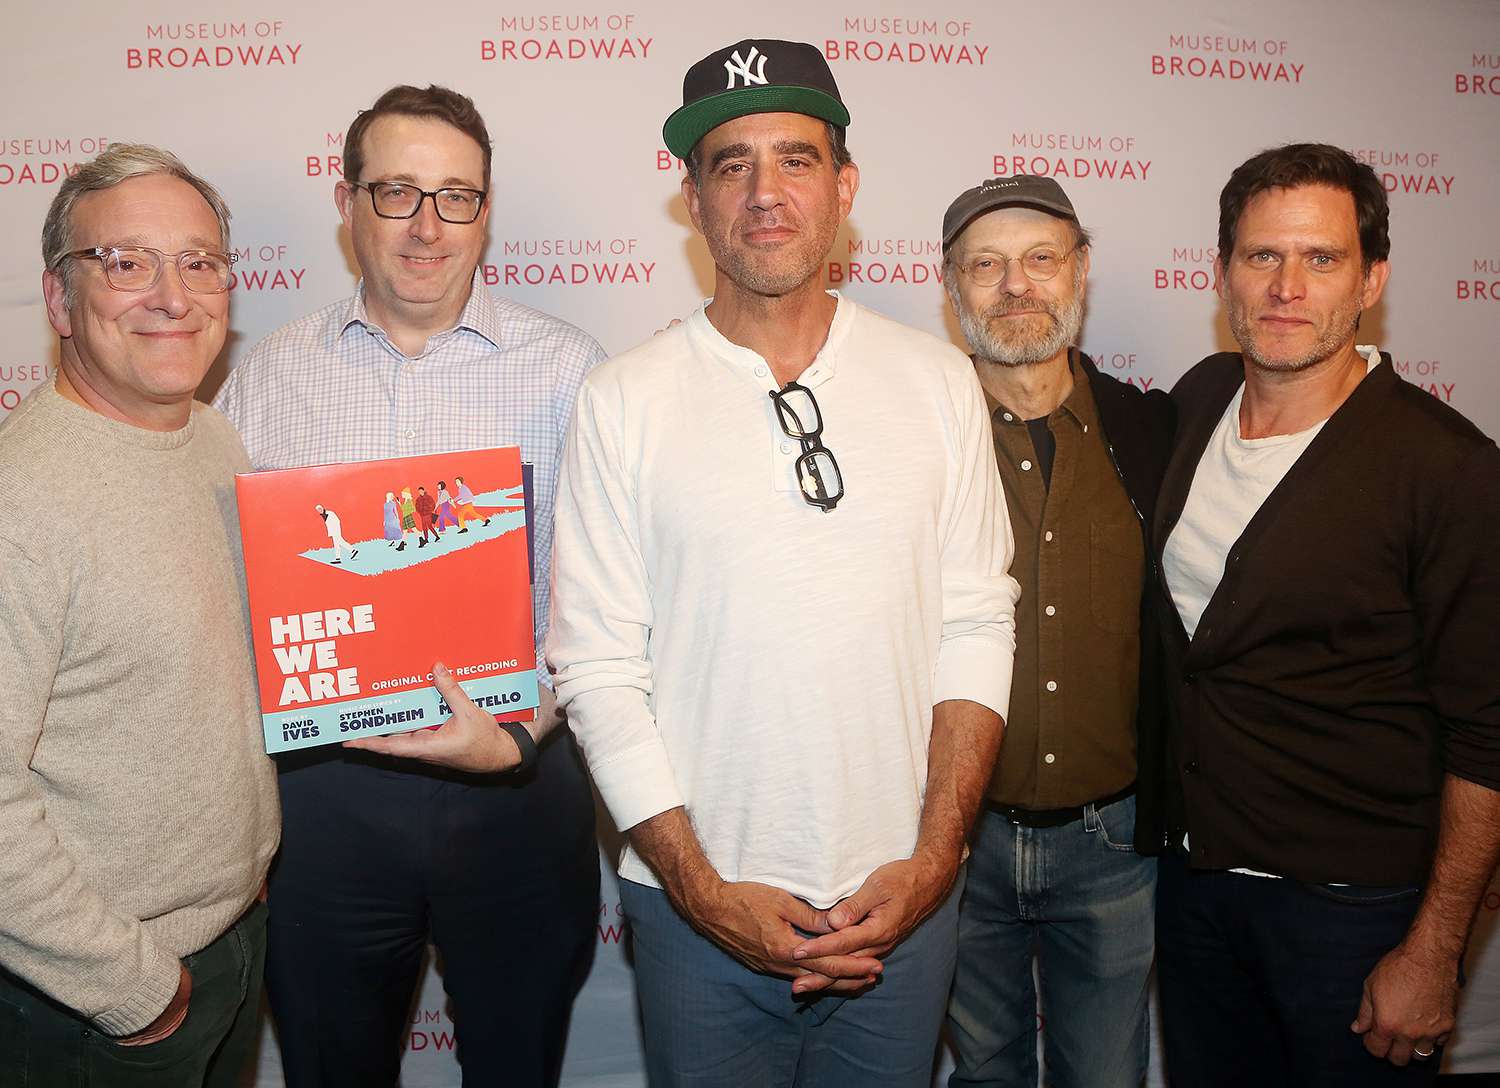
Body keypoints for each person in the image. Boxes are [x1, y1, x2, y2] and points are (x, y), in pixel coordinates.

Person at [547, 38, 1019, 1088]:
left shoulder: (938, 383)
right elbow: (595, 665)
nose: (766, 192)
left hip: (903, 909)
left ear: (845, 186)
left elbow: (978, 624)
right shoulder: (622, 400)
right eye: (732, 163)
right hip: (693, 918)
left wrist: (935, 859)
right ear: (695, 200)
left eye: (797, 159)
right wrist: (705, 890)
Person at [212, 84, 605, 1087]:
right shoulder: (268, 375)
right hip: (323, 804)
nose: (428, 226)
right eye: (396, 192)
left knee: (519, 1068)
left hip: (520, 781)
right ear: (347, 205)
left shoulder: (569, 371)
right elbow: (228, 591)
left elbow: (607, 596)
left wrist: (521, 734)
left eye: (456, 196)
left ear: (486, 211)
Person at [1149, 142, 1500, 1086]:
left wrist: (1435, 948)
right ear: (1222, 271)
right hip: (1196, 891)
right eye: (1262, 257)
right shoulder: (1199, 400)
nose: (1286, 287)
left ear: (1371, 278)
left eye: (1322, 258)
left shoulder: (1449, 469)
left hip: (1356, 916)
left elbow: (1489, 736)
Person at [0, 143, 278, 1086]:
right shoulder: (20, 504)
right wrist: (127, 984)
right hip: (94, 999)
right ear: (57, 300)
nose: (172, 295)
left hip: (231, 939)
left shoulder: (213, 436)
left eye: (198, 261)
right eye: (125, 262)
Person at [938, 176, 1172, 1088]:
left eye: (1041, 259)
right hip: (956, 840)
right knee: (985, 1073)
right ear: (951, 284)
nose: (1016, 286)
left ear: (1081, 270)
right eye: (986, 265)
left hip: (1113, 840)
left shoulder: (1153, 429)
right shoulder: (911, 434)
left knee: (1106, 1074)